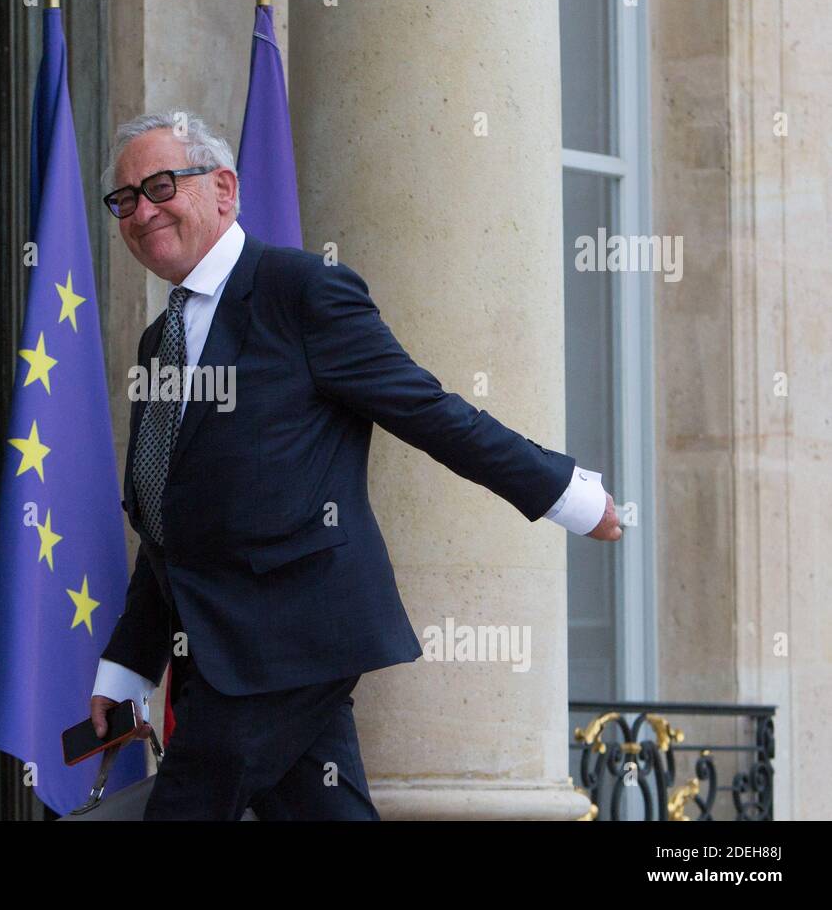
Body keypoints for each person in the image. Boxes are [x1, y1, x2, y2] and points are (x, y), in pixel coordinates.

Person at [89, 111, 622, 820]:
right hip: (231, 653)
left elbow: (428, 411)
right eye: (125, 199)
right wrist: (131, 662)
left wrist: (564, 493)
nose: (142, 211)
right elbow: (170, 518)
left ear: (223, 188)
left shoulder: (301, 292)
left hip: (289, 640)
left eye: (160, 186)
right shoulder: (161, 341)